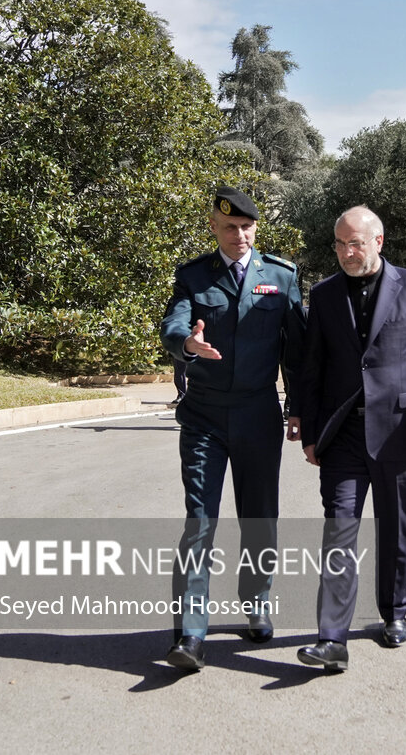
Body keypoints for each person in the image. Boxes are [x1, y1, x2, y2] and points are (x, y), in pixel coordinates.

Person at [294, 205, 406, 671]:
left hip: (398, 432)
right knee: (339, 528)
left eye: (355, 243)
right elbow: (312, 365)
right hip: (341, 434)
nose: (346, 252)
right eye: (340, 244)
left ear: (378, 241)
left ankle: (394, 612)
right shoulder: (323, 295)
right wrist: (303, 422)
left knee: (395, 527)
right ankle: (332, 638)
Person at [158, 185, 306, 671]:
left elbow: (296, 352)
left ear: (255, 228)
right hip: (204, 416)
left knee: (259, 519)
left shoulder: (281, 277)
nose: (238, 235)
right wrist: (188, 344)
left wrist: (299, 408)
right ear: (214, 228)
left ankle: (257, 601)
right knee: (199, 520)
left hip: (259, 415)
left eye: (246, 227)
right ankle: (191, 633)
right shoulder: (193, 276)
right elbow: (174, 325)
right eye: (229, 227)